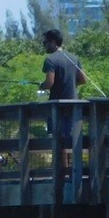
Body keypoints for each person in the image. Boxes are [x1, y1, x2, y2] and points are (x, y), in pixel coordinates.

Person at [40, 28, 88, 169]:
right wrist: (70, 84)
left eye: (45, 42)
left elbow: (50, 83)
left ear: (53, 42)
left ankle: (63, 169)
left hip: (57, 108)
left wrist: (42, 86)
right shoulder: (74, 58)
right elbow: (83, 80)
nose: (44, 45)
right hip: (74, 106)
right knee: (72, 139)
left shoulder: (50, 60)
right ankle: (74, 168)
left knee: (58, 140)